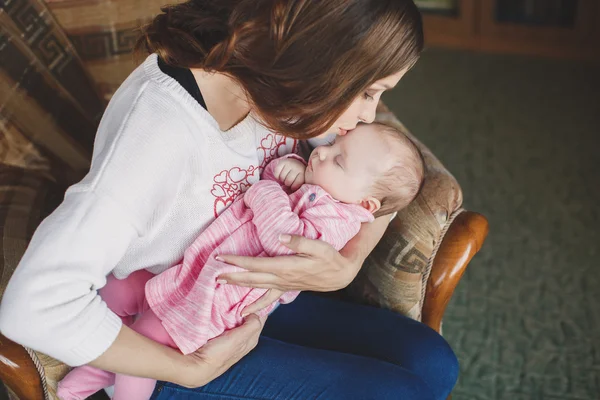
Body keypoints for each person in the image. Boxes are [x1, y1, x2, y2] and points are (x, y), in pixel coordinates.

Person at [0, 1, 458, 399]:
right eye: (366, 91)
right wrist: (188, 370)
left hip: (244, 302)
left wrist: (349, 262)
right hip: (171, 329)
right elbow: (32, 306)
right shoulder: (157, 137)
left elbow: (380, 187)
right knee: (403, 393)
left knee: (434, 362)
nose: (368, 115)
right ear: (313, 58)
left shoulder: (281, 91)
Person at [57, 123, 425, 400]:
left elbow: (284, 240)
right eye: (331, 145)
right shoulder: (324, 186)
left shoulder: (338, 220)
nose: (323, 153)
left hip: (217, 299)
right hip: (197, 270)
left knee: (145, 343)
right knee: (115, 289)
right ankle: (103, 372)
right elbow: (280, 178)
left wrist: (266, 190)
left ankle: (89, 387)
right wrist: (292, 168)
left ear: (365, 205)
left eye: (338, 160)